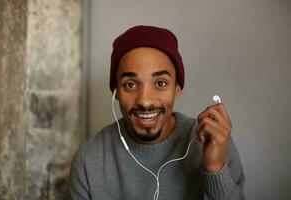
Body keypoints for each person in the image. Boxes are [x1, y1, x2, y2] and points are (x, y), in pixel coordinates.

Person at [70, 25, 246, 200]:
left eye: (160, 83)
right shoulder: (89, 159)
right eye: (130, 84)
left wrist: (215, 169)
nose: (145, 101)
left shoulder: (215, 144)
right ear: (116, 92)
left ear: (177, 88)